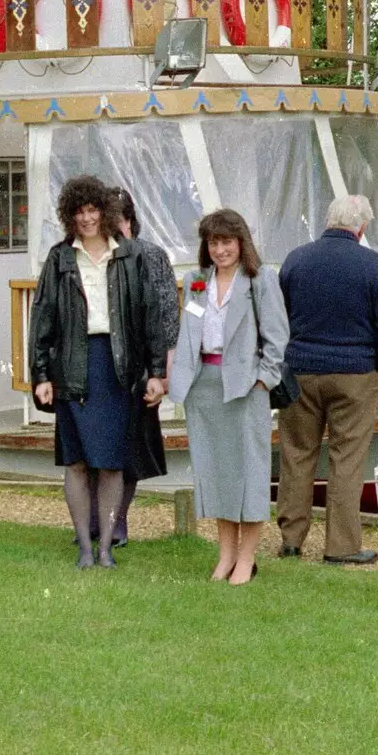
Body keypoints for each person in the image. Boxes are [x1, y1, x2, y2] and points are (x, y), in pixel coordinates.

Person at [29, 176, 168, 569]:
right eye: (80, 212)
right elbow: (42, 319)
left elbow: (151, 317)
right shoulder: (59, 259)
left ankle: (106, 545)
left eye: (93, 210)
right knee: (76, 461)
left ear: (105, 213)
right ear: (70, 215)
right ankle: (85, 549)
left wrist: (156, 372)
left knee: (112, 462)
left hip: (118, 366)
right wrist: (40, 375)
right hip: (73, 364)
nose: (87, 218)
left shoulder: (130, 256)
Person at [276, 196, 378, 565]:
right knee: (346, 459)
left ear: (327, 220)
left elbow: (279, 315)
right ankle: (342, 545)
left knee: (297, 455)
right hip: (354, 372)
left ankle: (290, 540)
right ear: (362, 228)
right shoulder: (375, 265)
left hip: (300, 370)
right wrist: (377, 362)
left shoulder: (296, 259)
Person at [168, 210, 288, 585]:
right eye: (213, 242)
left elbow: (277, 338)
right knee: (218, 474)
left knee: (249, 475)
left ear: (241, 242)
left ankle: (247, 560)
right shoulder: (195, 281)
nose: (220, 250)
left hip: (244, 388)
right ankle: (225, 556)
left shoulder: (260, 279)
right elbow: (188, 332)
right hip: (203, 388)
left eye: (226, 242)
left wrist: (263, 381)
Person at [85, 186, 176, 547]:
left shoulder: (151, 255)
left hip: (137, 366)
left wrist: (162, 371)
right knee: (96, 445)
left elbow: (167, 314)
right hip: (100, 362)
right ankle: (95, 520)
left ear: (128, 220)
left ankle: (116, 520)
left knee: (132, 446)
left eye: (115, 220)